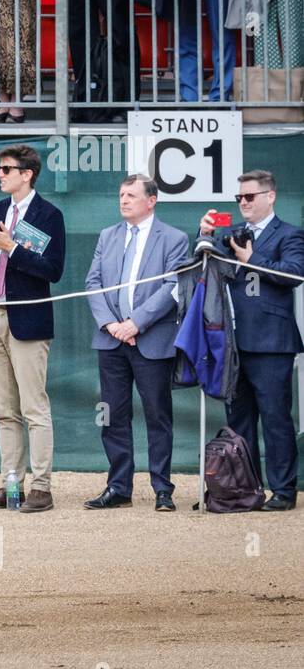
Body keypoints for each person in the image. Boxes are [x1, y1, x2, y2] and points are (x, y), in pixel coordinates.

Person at [0, 143, 65, 512]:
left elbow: (53, 269)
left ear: (27, 173)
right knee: (4, 409)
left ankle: (41, 487)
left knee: (34, 407)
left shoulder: (49, 214)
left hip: (26, 318)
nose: (0, 175)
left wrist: (12, 248)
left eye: (6, 169)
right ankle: (11, 484)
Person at [197, 170, 304, 510]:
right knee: (239, 422)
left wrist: (250, 259)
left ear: (270, 196)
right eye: (239, 198)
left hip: (272, 343)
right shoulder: (231, 233)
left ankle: (284, 491)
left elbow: (294, 274)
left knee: (275, 419)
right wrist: (203, 232)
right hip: (232, 343)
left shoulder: (289, 234)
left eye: (249, 196)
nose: (243, 202)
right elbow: (198, 257)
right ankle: (246, 489)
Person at [83, 175, 189, 511]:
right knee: (113, 416)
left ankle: (162, 489)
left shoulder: (174, 239)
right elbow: (92, 282)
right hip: (110, 341)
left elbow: (174, 286)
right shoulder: (107, 236)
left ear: (151, 200)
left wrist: (136, 323)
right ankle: (118, 487)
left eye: (131, 195)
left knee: (158, 416)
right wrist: (111, 324)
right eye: (121, 195)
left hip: (152, 341)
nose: (124, 200)